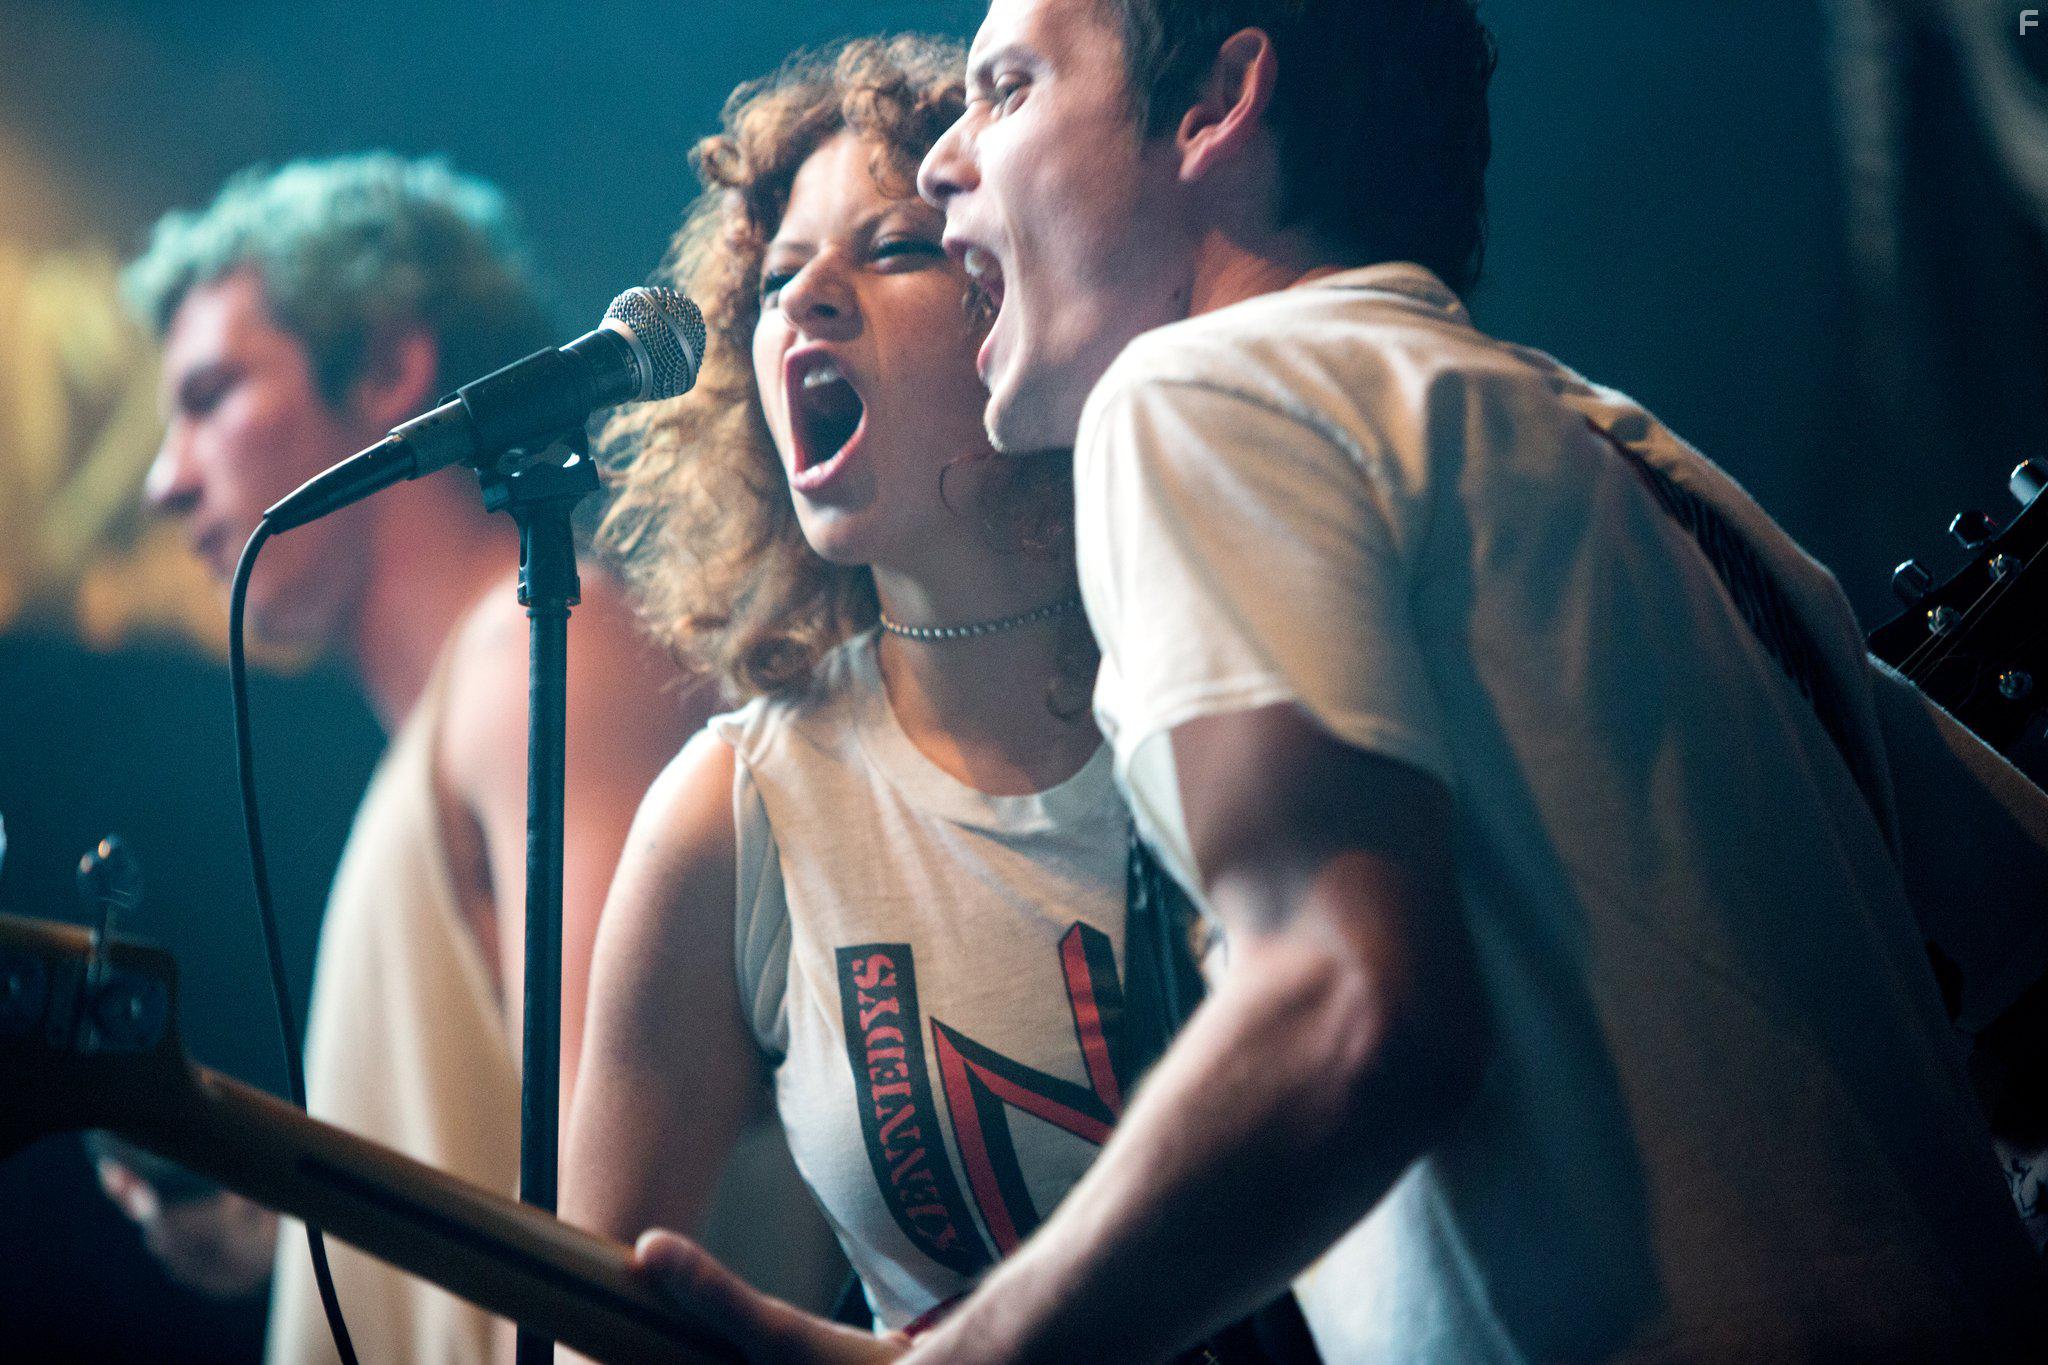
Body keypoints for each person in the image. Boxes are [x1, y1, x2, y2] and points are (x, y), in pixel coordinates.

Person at [620, 2, 2048, 1360]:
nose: (948, 162)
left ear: (1217, 108)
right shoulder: (1648, 469)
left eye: (1008, 89)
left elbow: (1353, 1012)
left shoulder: (1199, 395)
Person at [96, 153, 832, 1363]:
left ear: (390, 364)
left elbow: (629, 1223)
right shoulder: (469, 700)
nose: (165, 479)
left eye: (212, 394)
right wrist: (289, 1222)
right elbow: (516, 1169)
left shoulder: (542, 660)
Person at [562, 33, 1164, 1348]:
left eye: (892, 249)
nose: (804, 303)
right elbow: (575, 1326)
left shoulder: (1217, 673)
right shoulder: (732, 819)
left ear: (1031, 288)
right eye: (774, 279)